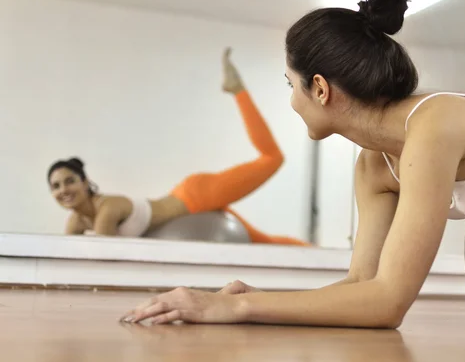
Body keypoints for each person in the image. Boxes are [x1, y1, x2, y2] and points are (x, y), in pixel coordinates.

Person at [120, 0, 465, 327]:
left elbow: (389, 304)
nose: (291, 100)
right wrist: (260, 300)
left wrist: (233, 307)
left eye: (292, 85)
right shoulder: (374, 166)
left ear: (322, 89)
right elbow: (363, 285)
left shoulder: (434, 128)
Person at [47, 48, 308, 247]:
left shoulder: (107, 209)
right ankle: (317, 252)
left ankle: (238, 89)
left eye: (69, 181)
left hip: (196, 195)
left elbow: (106, 257)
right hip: (190, 212)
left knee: (272, 158)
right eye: (56, 186)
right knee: (262, 242)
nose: (63, 190)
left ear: (85, 182)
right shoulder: (76, 221)